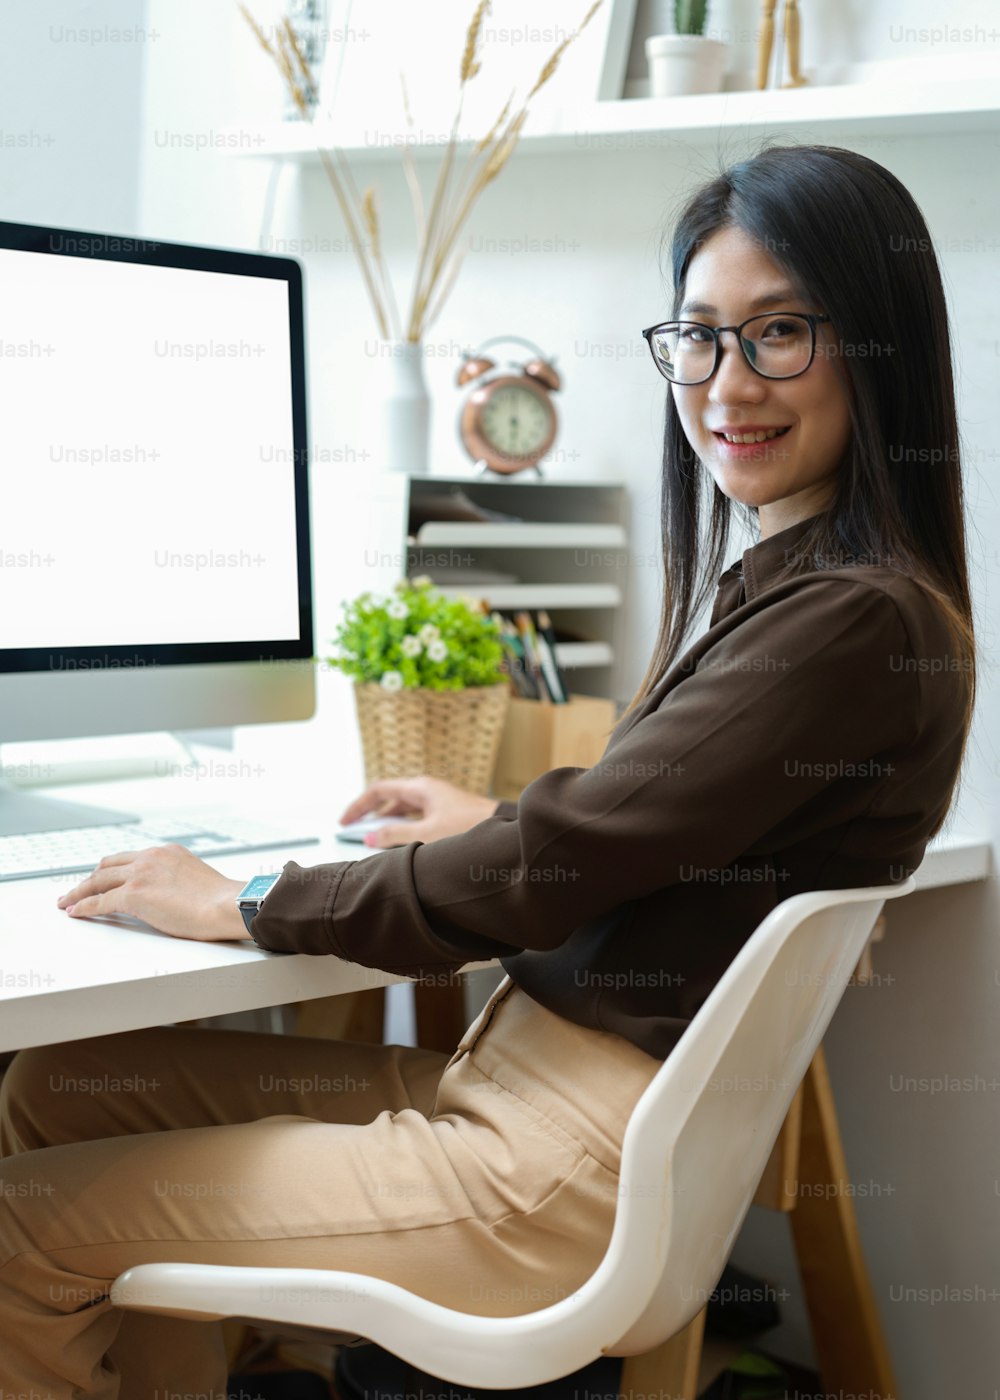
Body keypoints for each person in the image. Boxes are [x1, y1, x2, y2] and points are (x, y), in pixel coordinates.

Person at [0, 143, 975, 1397]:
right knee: (59, 1087)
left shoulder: (856, 620)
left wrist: (241, 903)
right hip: (532, 1101)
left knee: (19, 1222)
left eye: (779, 332)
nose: (725, 382)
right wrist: (502, 813)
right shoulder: (816, 593)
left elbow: (547, 874)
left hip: (549, 1165)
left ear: (878, 344)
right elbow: (648, 828)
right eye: (698, 336)